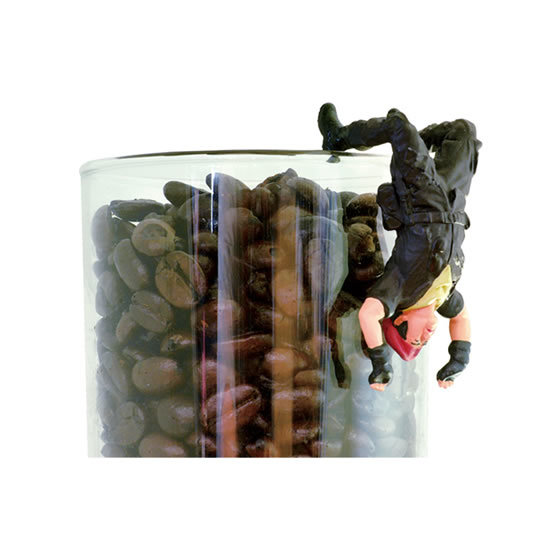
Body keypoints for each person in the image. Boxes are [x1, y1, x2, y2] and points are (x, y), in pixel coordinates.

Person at [318, 103, 482, 391]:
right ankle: (418, 143)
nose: (427, 336)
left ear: (400, 320)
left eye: (416, 338)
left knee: (398, 126)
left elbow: (368, 315)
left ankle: (338, 137)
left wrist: (381, 363)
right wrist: (458, 359)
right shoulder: (443, 299)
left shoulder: (399, 291)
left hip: (421, 198)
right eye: (423, 343)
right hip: (452, 201)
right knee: (465, 132)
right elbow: (461, 317)